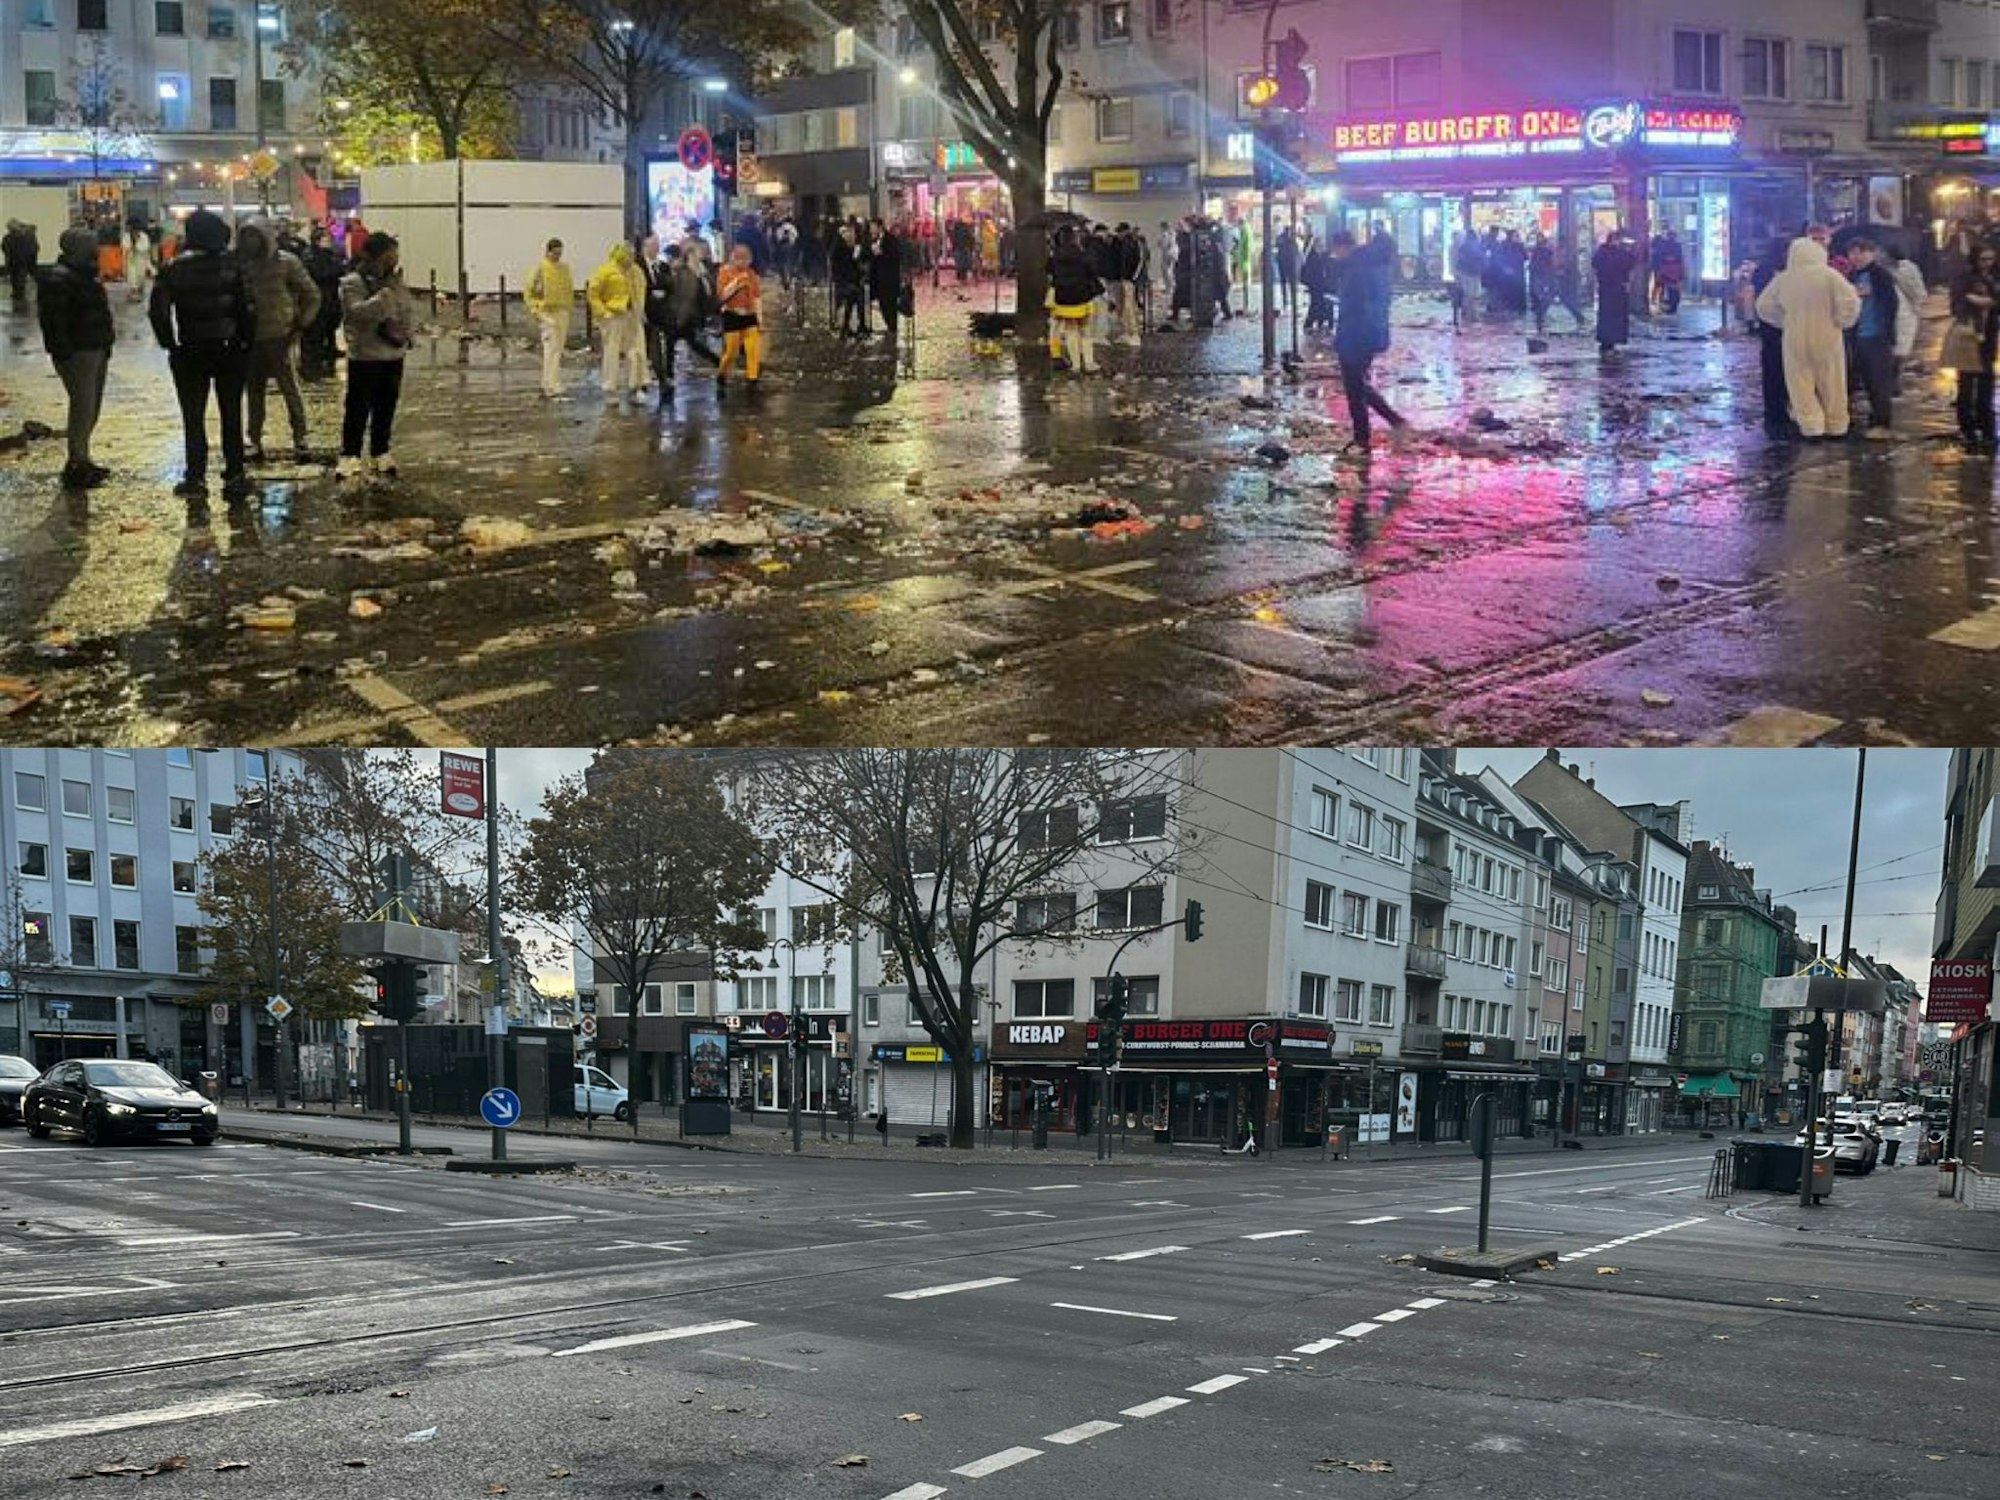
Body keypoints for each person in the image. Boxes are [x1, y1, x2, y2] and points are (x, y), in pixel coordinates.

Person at [148, 207, 255, 500]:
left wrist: (170, 344)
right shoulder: (235, 264)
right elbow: (248, 307)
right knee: (231, 413)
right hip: (229, 349)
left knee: (192, 416)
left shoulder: (173, 267)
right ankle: (235, 475)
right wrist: (246, 341)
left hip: (191, 349)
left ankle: (195, 476)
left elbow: (158, 310)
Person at [1754, 236, 1862, 441]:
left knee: (1799, 383)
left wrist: (1784, 320)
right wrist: (1841, 321)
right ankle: (1836, 425)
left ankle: (1811, 426)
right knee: (1832, 381)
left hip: (1794, 336)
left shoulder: (1784, 278)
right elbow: (1851, 302)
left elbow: (1763, 306)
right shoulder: (1830, 276)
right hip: (1827, 334)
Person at [234, 218, 320, 463]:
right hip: (251, 337)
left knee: (289, 388)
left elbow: (312, 294)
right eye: (246, 237)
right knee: (254, 391)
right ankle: (254, 438)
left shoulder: (287, 262)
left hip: (281, 335)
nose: (250, 242)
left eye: (254, 236)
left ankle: (301, 437)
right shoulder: (240, 265)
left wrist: (301, 323)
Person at [36, 226, 114, 489]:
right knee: (82, 407)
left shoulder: (86, 275)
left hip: (95, 348)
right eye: (92, 245)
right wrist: (62, 351)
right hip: (78, 352)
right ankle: (77, 463)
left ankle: (82, 458)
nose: (97, 249)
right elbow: (53, 320)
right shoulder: (60, 278)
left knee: (91, 408)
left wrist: (106, 344)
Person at [336, 231, 415, 478]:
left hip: (393, 354)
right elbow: (356, 313)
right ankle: (350, 454)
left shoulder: (396, 281)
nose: (394, 260)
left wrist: (407, 335)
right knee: (358, 407)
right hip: (366, 356)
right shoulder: (352, 282)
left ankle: (381, 450)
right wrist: (382, 300)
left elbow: (406, 310)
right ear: (374, 256)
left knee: (386, 405)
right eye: (389, 255)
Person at [1331, 231, 1407, 454]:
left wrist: (1349, 332)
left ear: (1344, 247)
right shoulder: (1375, 267)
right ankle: (1389, 424)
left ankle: (1365, 437)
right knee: (1357, 383)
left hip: (1356, 334)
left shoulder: (1358, 268)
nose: (1335, 255)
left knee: (1355, 386)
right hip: (1368, 333)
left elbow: (1358, 305)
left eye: (1336, 249)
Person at [1945, 243, 2000, 452]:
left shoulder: (1995, 277)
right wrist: (1972, 301)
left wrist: (1989, 303)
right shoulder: (1965, 277)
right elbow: (1957, 304)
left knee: (1986, 383)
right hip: (1968, 337)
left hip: (1988, 337)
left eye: (1991, 259)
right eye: (1983, 259)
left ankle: (1986, 428)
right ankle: (1967, 428)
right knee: (1966, 384)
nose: (1987, 263)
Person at [1845, 237, 1899, 440]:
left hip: (1876, 336)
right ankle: (1865, 419)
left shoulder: (1881, 276)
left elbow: (1891, 305)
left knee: (1879, 382)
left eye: (1861, 251)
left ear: (1872, 253)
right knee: (1859, 381)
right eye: (1852, 252)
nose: (1856, 256)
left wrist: (1887, 333)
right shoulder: (1851, 276)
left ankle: (1882, 422)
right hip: (1856, 336)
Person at [654, 239, 717, 403]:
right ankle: (668, 375)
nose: (700, 255)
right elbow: (683, 297)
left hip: (683, 317)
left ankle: (668, 376)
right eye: (696, 252)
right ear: (690, 255)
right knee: (682, 344)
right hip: (682, 316)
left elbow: (693, 297)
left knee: (680, 344)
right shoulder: (686, 272)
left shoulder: (695, 271)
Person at [586, 241, 641, 412]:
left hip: (630, 315)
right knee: (612, 353)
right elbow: (593, 293)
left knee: (634, 352)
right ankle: (610, 389)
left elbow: (639, 289)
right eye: (629, 254)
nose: (632, 258)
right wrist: (603, 312)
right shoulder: (606, 271)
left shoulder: (633, 271)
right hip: (613, 316)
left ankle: (634, 386)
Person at [1748, 237, 1794, 438]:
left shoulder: (1768, 270)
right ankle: (1776, 414)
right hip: (1774, 329)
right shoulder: (1769, 272)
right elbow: (1765, 303)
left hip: (1775, 329)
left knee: (1777, 371)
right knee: (1776, 371)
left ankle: (1777, 412)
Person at [1047, 225, 1102, 374]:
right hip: (1082, 297)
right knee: (1085, 331)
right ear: (1074, 238)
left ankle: (1076, 365)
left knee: (1070, 331)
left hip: (1064, 299)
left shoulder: (1055, 256)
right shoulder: (1082, 255)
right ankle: (1089, 363)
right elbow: (1092, 273)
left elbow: (1050, 273)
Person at [524, 237, 575, 400]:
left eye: (560, 253)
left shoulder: (564, 268)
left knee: (557, 349)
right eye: (555, 253)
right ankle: (550, 384)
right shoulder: (540, 268)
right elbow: (528, 291)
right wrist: (536, 310)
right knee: (551, 348)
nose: (558, 256)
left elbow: (568, 288)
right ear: (548, 251)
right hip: (547, 312)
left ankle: (550, 381)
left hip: (562, 311)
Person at [714, 244, 763, 394]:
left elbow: (756, 297)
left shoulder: (752, 274)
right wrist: (737, 282)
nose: (744, 263)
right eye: (740, 259)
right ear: (733, 258)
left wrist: (760, 319)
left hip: (749, 315)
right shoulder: (724, 272)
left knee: (753, 349)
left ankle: (752, 379)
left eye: (747, 259)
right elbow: (722, 295)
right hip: (731, 315)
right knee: (732, 352)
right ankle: (722, 374)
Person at [300, 225, 346, 377]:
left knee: (329, 327)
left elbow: (340, 270)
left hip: (330, 298)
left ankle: (326, 355)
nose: (330, 241)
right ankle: (310, 366)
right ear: (317, 240)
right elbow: (320, 273)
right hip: (317, 299)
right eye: (326, 239)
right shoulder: (310, 255)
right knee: (314, 334)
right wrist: (334, 272)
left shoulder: (329, 254)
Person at [1885, 242, 1927, 385]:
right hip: (1903, 312)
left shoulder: (1899, 268)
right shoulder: (1909, 267)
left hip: (1901, 311)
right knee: (1899, 348)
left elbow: (1917, 290)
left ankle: (1893, 380)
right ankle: (1893, 380)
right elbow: (1920, 291)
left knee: (1896, 349)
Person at [1592, 230, 1637, 356]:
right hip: (1617, 289)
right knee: (1615, 317)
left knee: (1606, 316)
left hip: (1605, 289)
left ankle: (1606, 342)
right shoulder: (1620, 254)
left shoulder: (1601, 252)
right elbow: (1630, 263)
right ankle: (1611, 343)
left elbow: (1595, 264)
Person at [867, 218, 903, 340]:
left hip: (890, 278)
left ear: (880, 227)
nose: (871, 229)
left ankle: (892, 328)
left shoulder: (890, 239)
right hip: (879, 279)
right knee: (883, 304)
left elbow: (896, 256)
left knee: (890, 304)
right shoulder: (874, 239)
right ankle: (890, 327)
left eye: (873, 226)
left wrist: (881, 253)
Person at [833, 221, 869, 338]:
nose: (852, 236)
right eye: (849, 233)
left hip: (849, 281)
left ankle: (847, 328)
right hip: (843, 283)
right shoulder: (841, 248)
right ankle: (860, 326)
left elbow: (854, 267)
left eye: (853, 233)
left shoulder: (847, 247)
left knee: (855, 297)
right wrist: (854, 257)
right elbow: (844, 267)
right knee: (858, 295)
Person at [3, 219, 38, 309]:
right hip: (22, 261)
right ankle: (19, 295)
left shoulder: (10, 237)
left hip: (18, 261)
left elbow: (5, 249)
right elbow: (35, 249)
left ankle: (19, 296)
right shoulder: (27, 236)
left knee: (17, 279)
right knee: (18, 279)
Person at [1650, 226, 1685, 313]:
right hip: (1675, 268)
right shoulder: (1677, 245)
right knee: (1673, 287)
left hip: (1668, 267)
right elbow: (1680, 257)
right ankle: (1673, 304)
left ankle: (1670, 305)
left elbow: (1662, 256)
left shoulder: (1665, 245)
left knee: (1668, 286)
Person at [122, 223, 152, 303]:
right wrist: (131, 246)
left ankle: (140, 293)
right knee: (132, 277)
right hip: (131, 260)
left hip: (141, 259)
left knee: (140, 277)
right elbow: (125, 246)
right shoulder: (126, 236)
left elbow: (146, 247)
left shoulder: (144, 236)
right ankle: (132, 294)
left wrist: (137, 246)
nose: (135, 232)